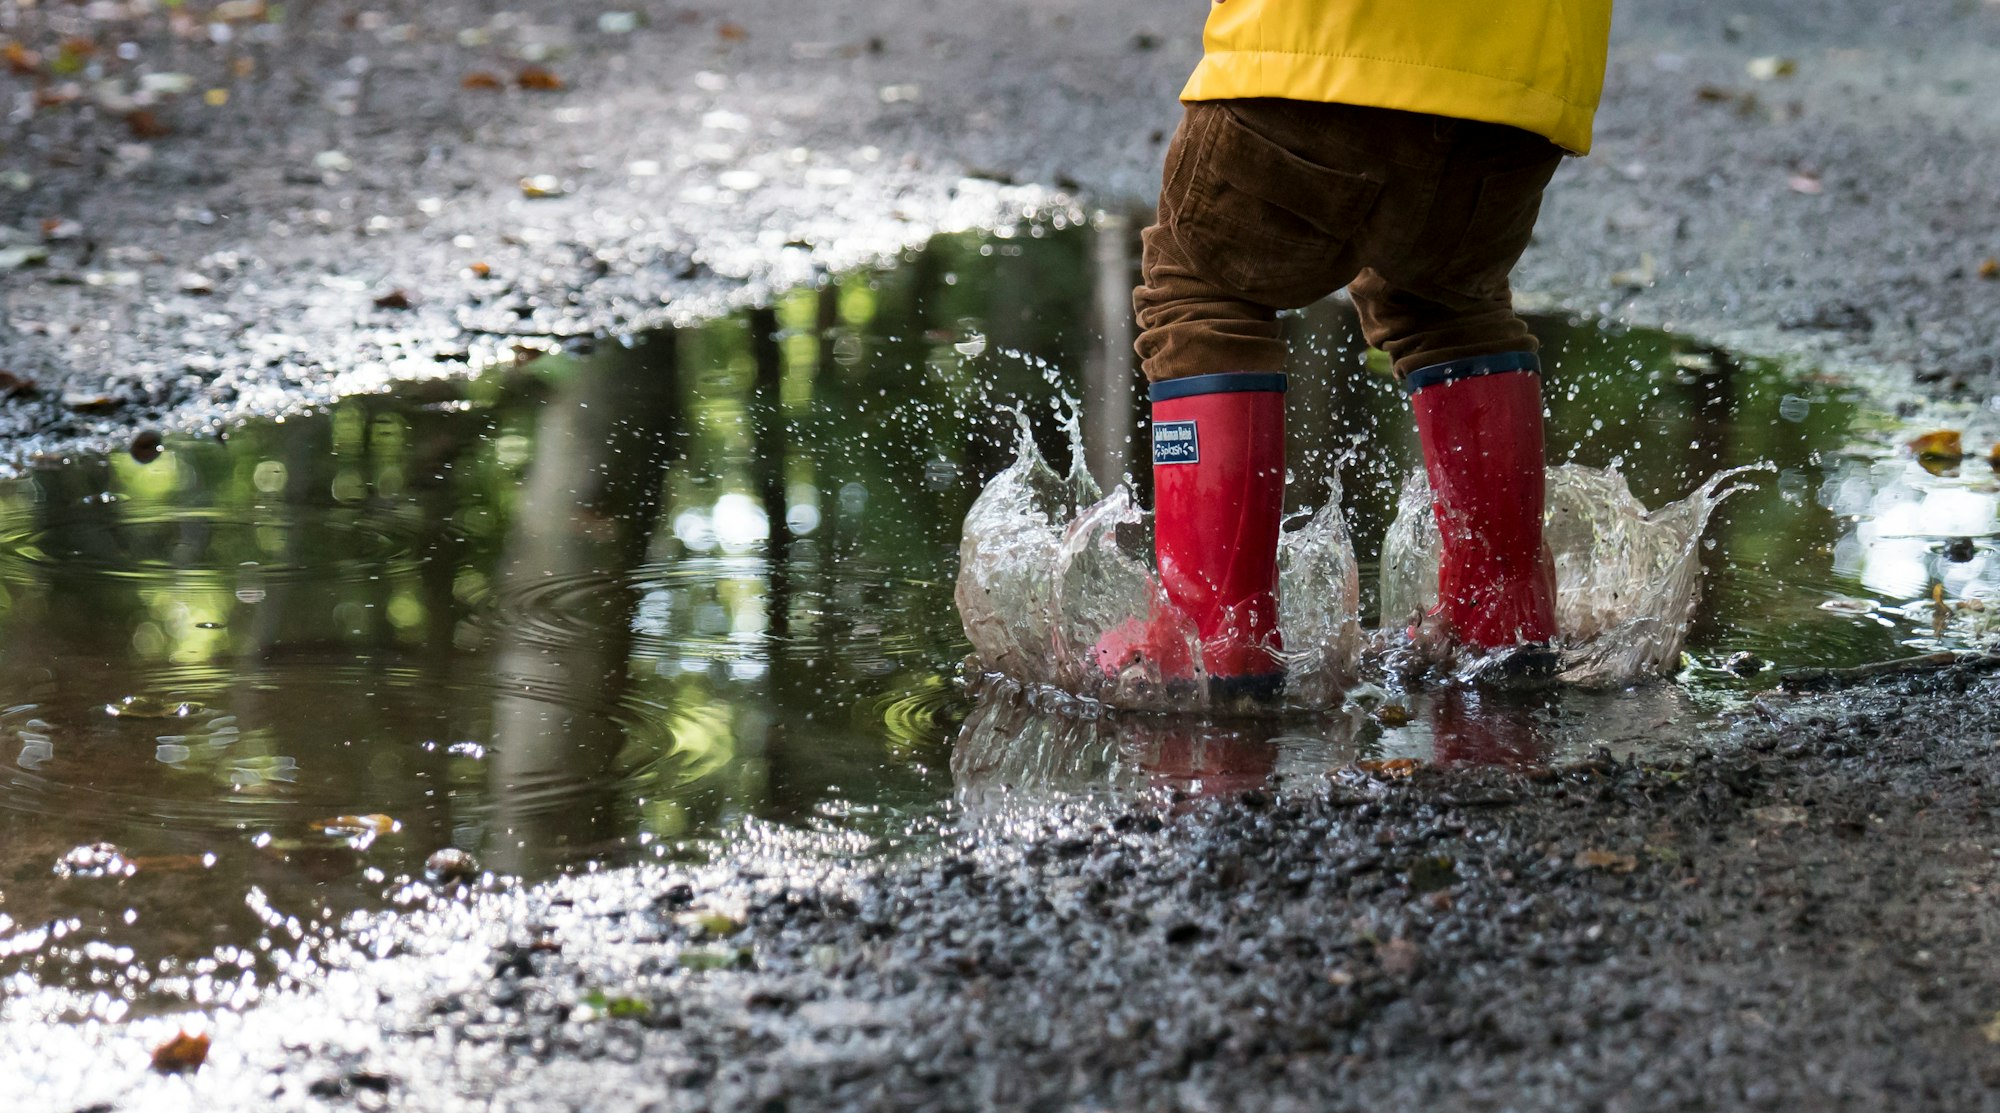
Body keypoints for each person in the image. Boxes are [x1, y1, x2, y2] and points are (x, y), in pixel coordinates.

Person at [1097, 0, 1615, 696]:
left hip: (1325, 48)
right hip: (1519, 96)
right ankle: (1503, 619)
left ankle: (1212, 640)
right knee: (1448, 302)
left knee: (1200, 289)